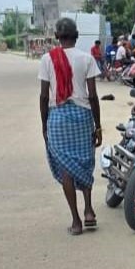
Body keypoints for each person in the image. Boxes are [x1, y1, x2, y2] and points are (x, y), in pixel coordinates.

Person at [38, 17, 102, 236]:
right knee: (84, 163)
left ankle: (76, 221)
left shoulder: (47, 59)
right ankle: (90, 210)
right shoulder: (86, 59)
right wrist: (98, 125)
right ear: (76, 36)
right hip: (82, 116)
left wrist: (44, 125)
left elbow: (44, 96)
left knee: (66, 167)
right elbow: (93, 96)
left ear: (57, 36)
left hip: (57, 117)